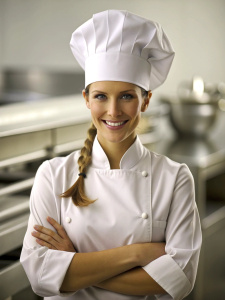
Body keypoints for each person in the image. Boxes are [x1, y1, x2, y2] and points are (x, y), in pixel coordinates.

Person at [20, 9, 202, 300]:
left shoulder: (175, 178)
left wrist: (74, 263)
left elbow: (179, 280)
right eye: (101, 96)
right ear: (86, 99)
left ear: (146, 101)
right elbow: (40, 275)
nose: (113, 111)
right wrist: (137, 253)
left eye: (127, 96)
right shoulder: (53, 175)